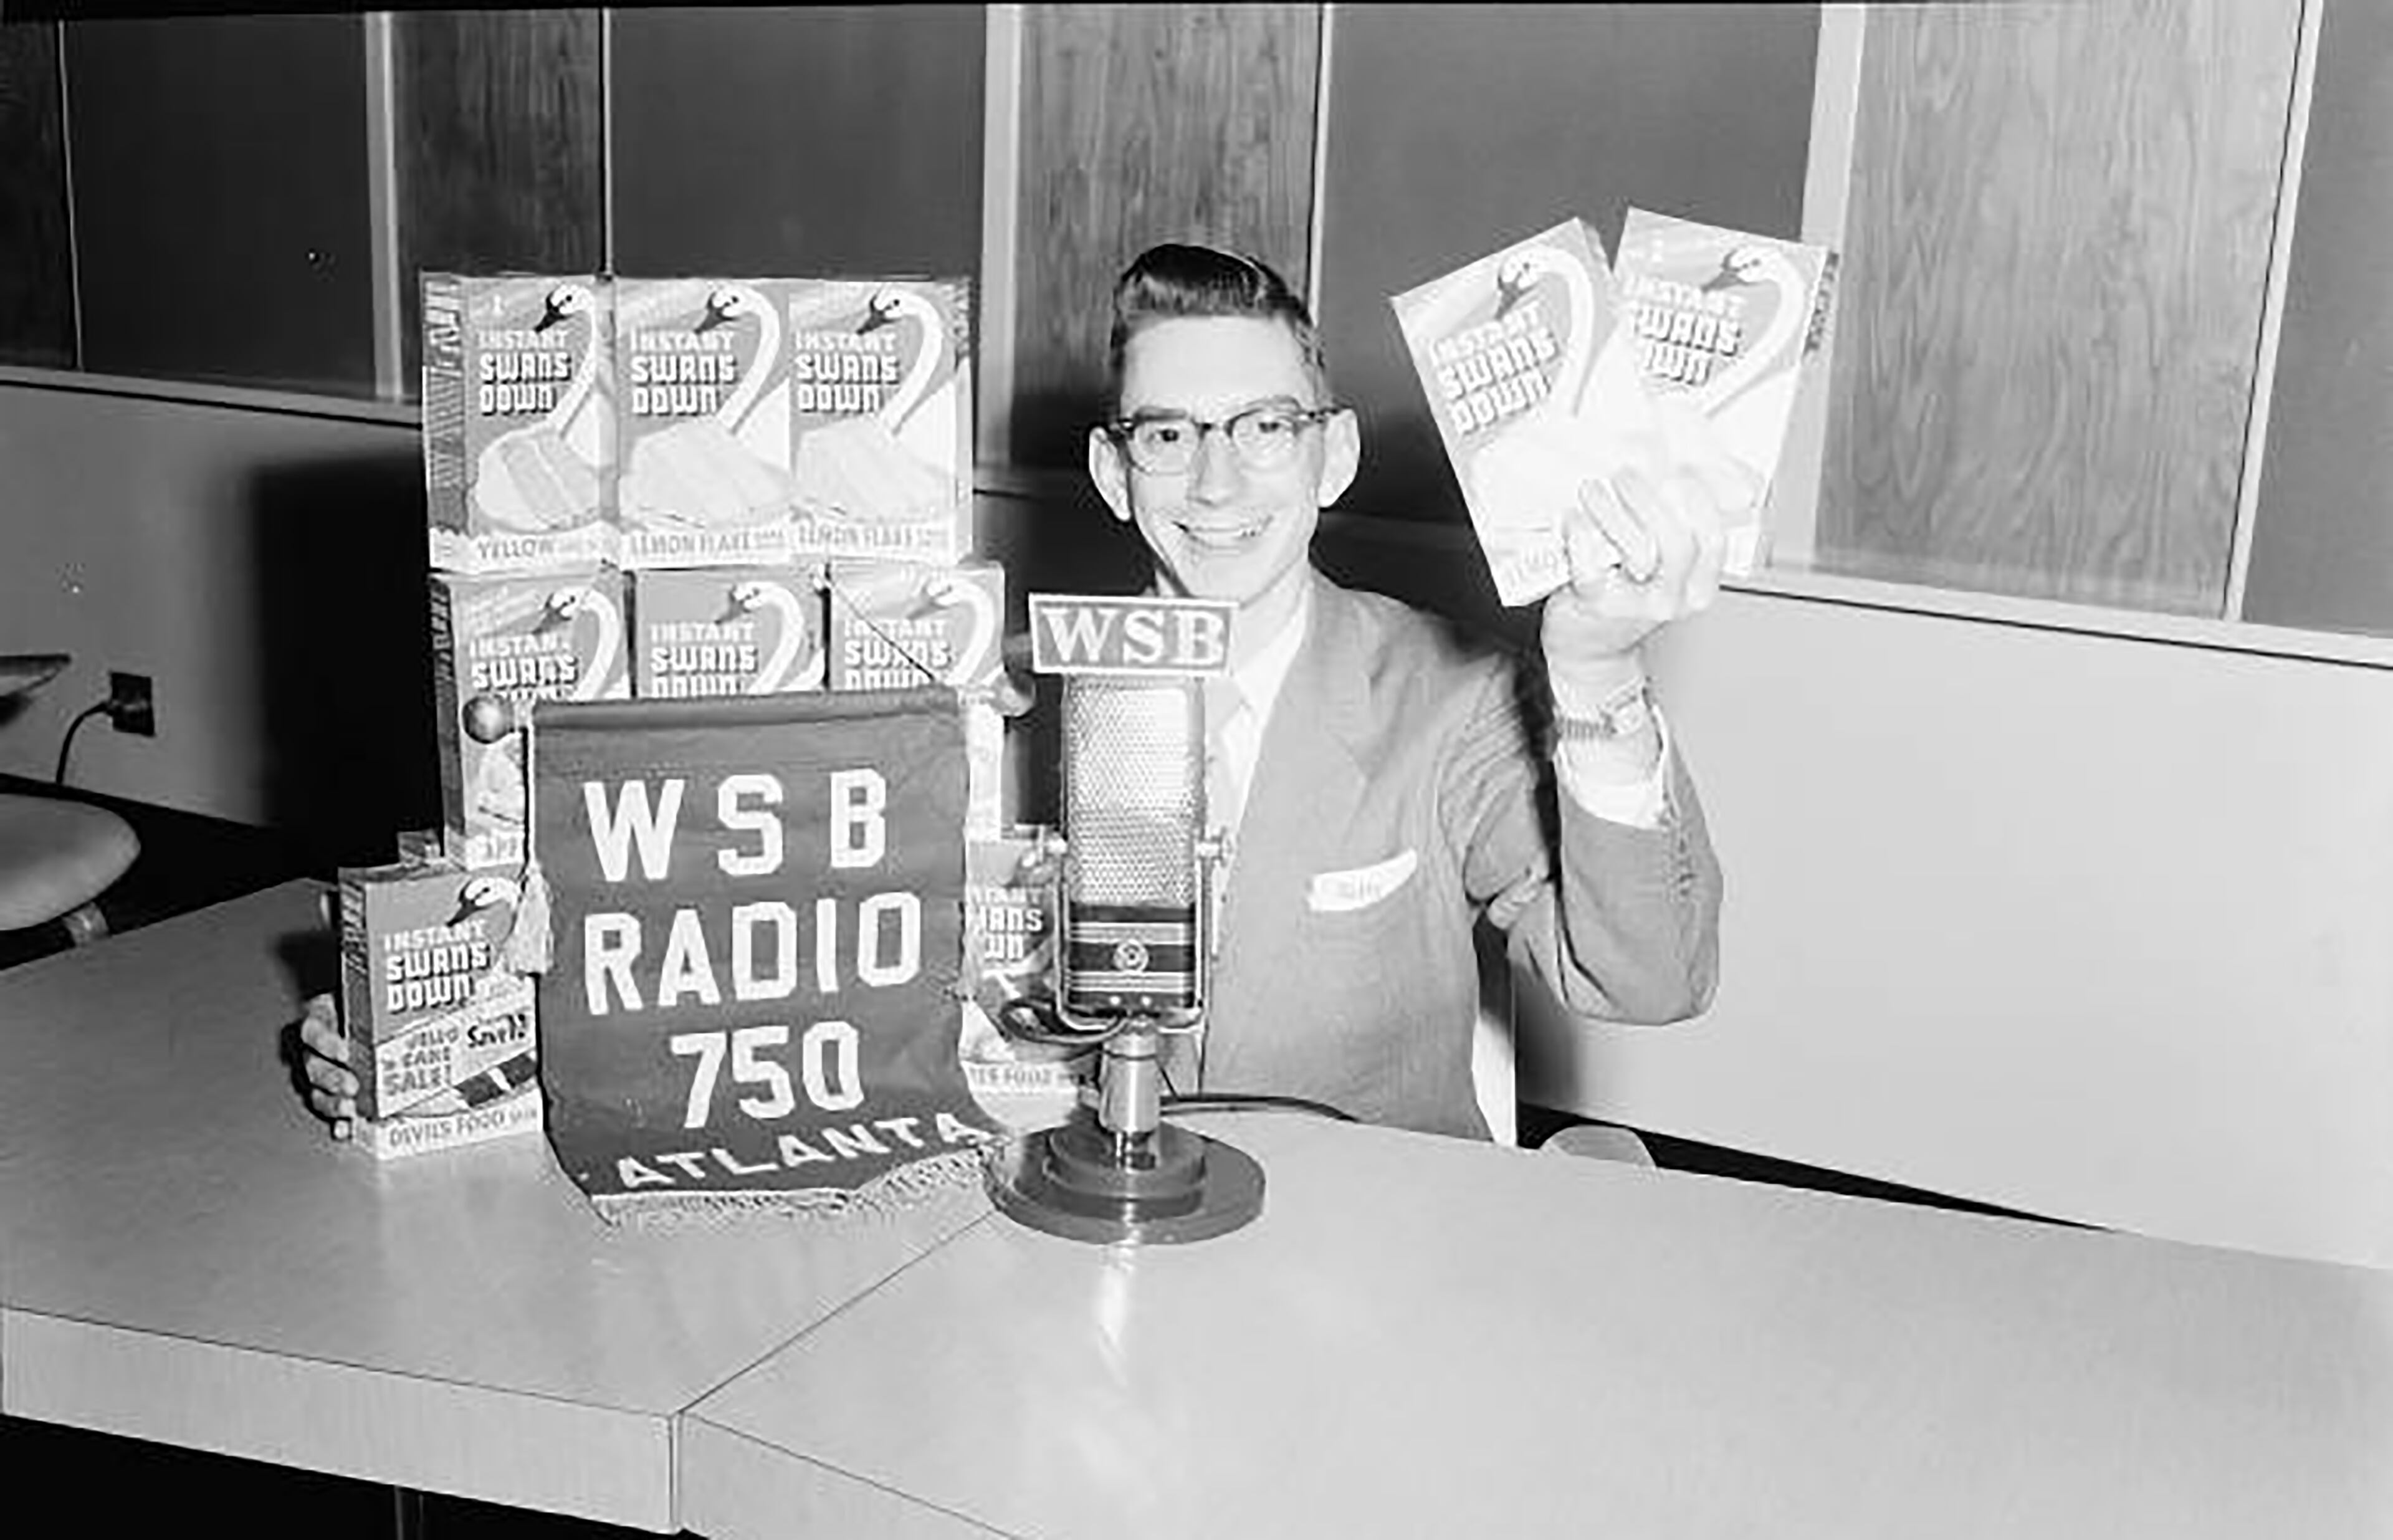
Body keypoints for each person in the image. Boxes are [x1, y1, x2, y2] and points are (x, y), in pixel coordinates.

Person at [298, 242, 1726, 1143]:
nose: (1219, 483)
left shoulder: (1448, 696)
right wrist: (440, 1039)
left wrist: (1594, 673)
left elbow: (1646, 980)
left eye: (1265, 429)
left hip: (1357, 1282)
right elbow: (740, 952)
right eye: (1170, 434)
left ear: (1333, 456)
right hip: (1054, 1247)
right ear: (1113, 475)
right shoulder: (991, 714)